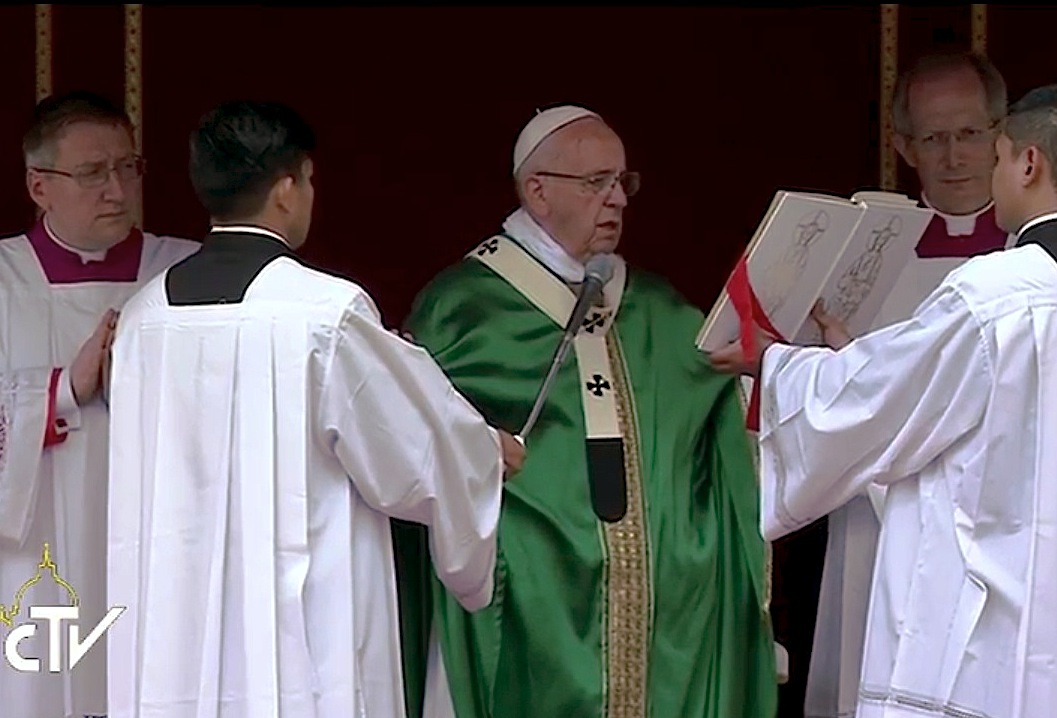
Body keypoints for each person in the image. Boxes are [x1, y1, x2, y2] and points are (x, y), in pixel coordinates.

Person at [105, 100, 524, 718]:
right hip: (300, 620)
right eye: (307, 180)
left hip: (176, 613)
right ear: (286, 188)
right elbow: (410, 447)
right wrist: (486, 451)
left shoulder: (145, 317)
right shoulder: (323, 313)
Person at [395, 105, 776, 718]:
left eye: (622, 181)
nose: (617, 199)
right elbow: (415, 446)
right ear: (537, 191)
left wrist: (778, 371)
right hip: (527, 597)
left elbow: (725, 417)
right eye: (597, 181)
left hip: (664, 616)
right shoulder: (461, 311)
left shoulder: (658, 308)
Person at [711, 84, 1057, 718]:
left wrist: (776, 363)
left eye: (999, 153)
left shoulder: (999, 295)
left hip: (988, 628)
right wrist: (855, 353)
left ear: (1028, 164)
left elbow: (872, 409)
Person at [803, 51, 1017, 718]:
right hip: (881, 525)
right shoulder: (863, 258)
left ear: (1002, 133)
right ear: (903, 147)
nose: (953, 156)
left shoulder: (1034, 253)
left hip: (1006, 523)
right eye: (932, 138)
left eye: (970, 133)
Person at [0, 90, 198, 718]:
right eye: (92, 173)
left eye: (127, 167)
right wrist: (63, 389)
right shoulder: (4, 280)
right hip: (33, 554)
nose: (116, 190)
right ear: (39, 186)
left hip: (163, 540)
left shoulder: (187, 273)